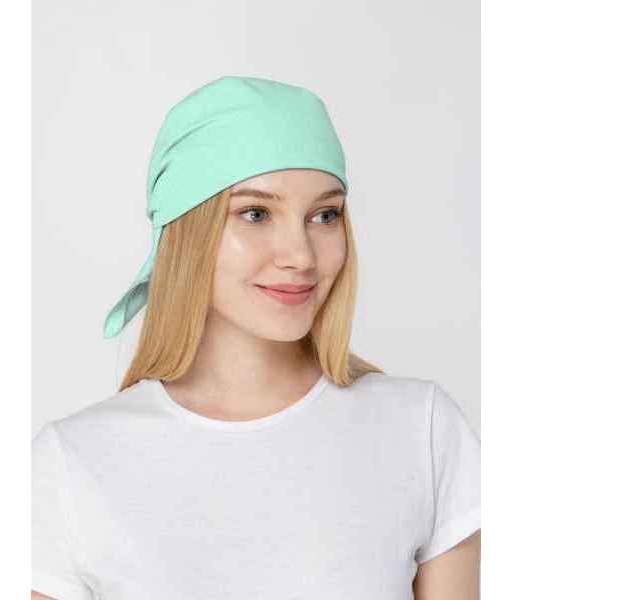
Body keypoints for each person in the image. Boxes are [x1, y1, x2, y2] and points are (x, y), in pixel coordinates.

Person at [32, 76, 481, 600]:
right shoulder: (71, 464)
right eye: (256, 213)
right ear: (186, 231)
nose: (301, 255)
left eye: (325, 215)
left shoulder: (422, 431)